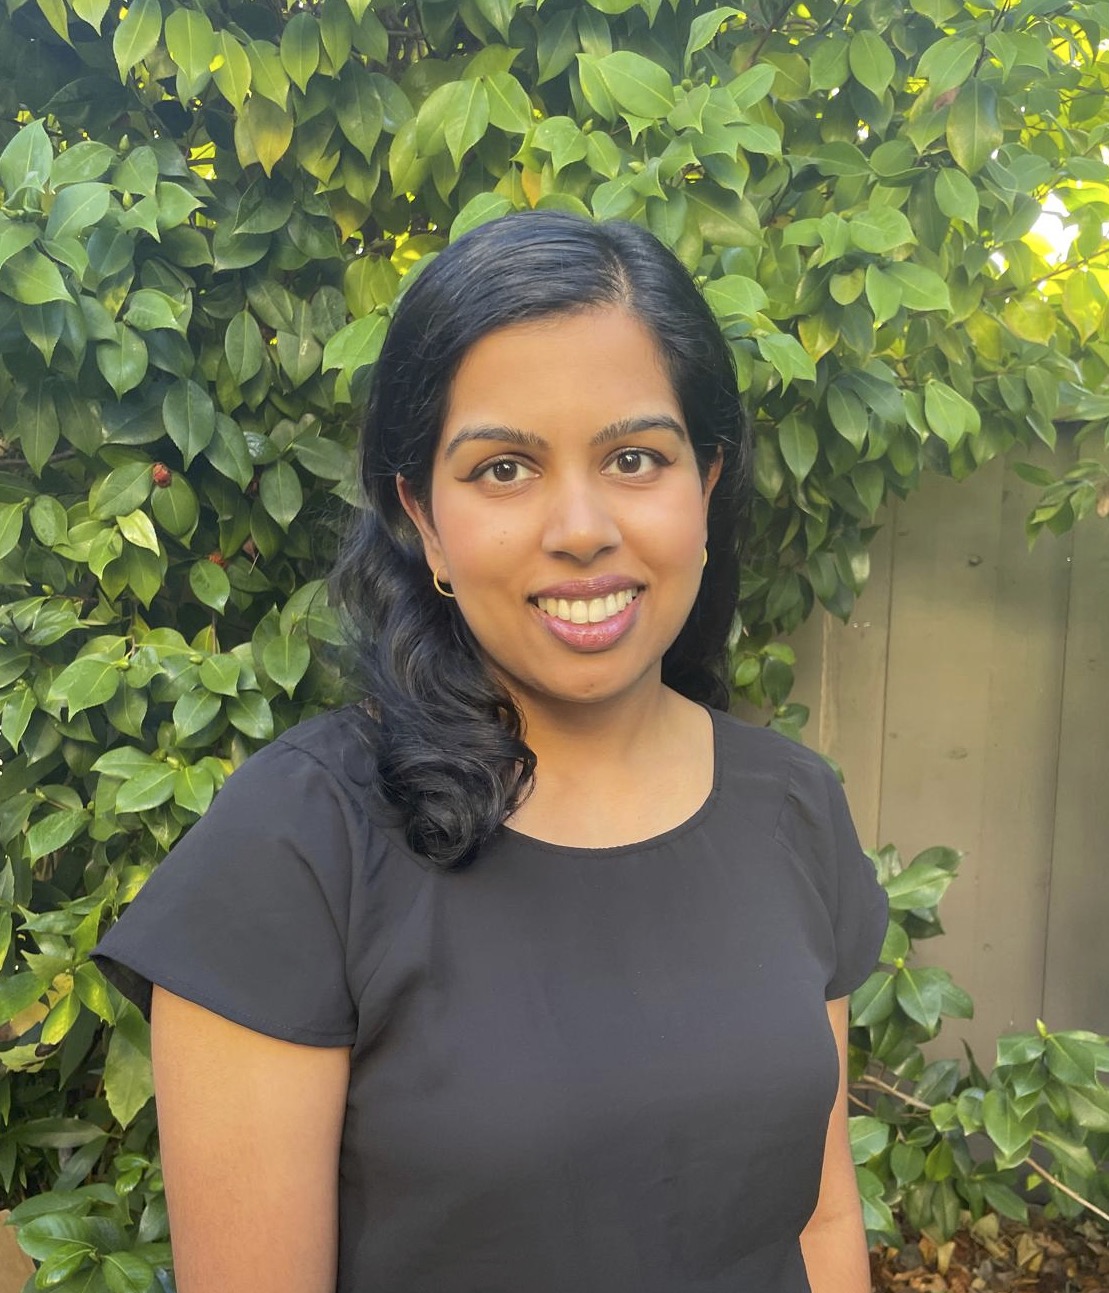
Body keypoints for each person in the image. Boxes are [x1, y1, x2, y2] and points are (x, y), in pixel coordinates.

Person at [92, 209, 889, 1293]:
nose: (578, 526)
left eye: (634, 457)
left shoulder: (793, 807)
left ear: (704, 484)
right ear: (422, 519)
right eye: (504, 469)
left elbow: (818, 1221)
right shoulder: (298, 848)